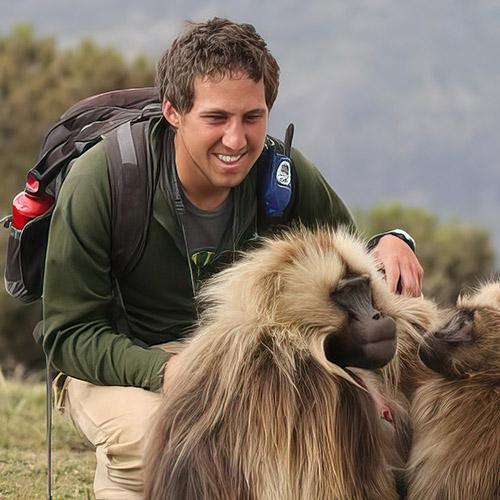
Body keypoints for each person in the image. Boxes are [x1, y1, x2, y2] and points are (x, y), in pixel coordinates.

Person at [42, 17, 423, 499]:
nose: (237, 141)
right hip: (129, 361)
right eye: (216, 118)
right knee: (164, 442)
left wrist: (392, 239)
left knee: (376, 439)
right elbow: (68, 334)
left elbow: (342, 259)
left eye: (252, 118)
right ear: (173, 111)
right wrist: (165, 370)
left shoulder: (279, 174)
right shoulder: (106, 181)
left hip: (242, 365)